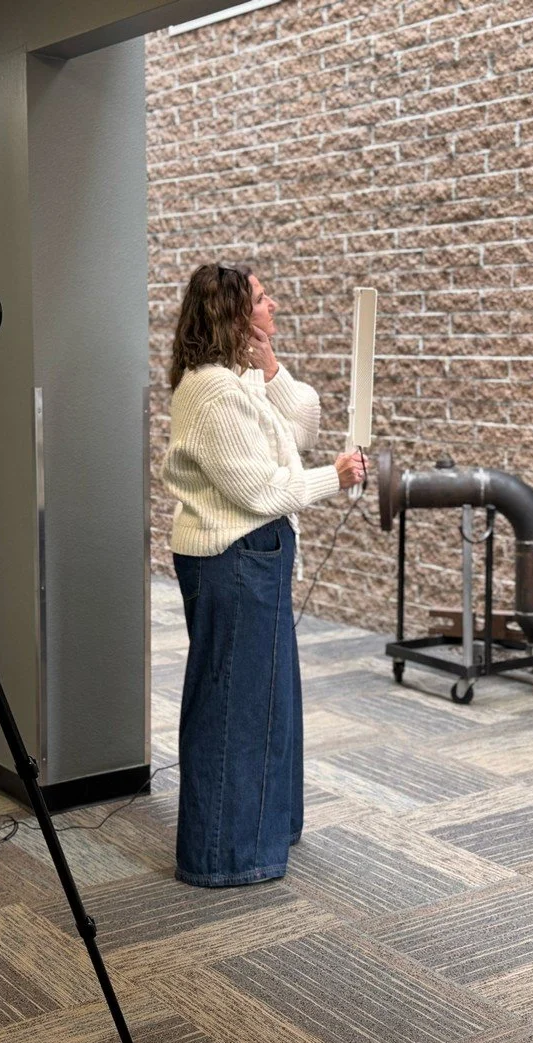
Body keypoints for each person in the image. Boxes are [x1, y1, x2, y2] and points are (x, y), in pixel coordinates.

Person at [161, 263, 365, 887]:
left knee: (264, 703)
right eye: (262, 299)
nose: (273, 305)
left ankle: (262, 833)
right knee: (233, 709)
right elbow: (256, 488)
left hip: (254, 557)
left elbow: (301, 423)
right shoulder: (214, 392)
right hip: (236, 555)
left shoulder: (237, 379)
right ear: (233, 314)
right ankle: (223, 856)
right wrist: (337, 477)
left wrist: (269, 359)